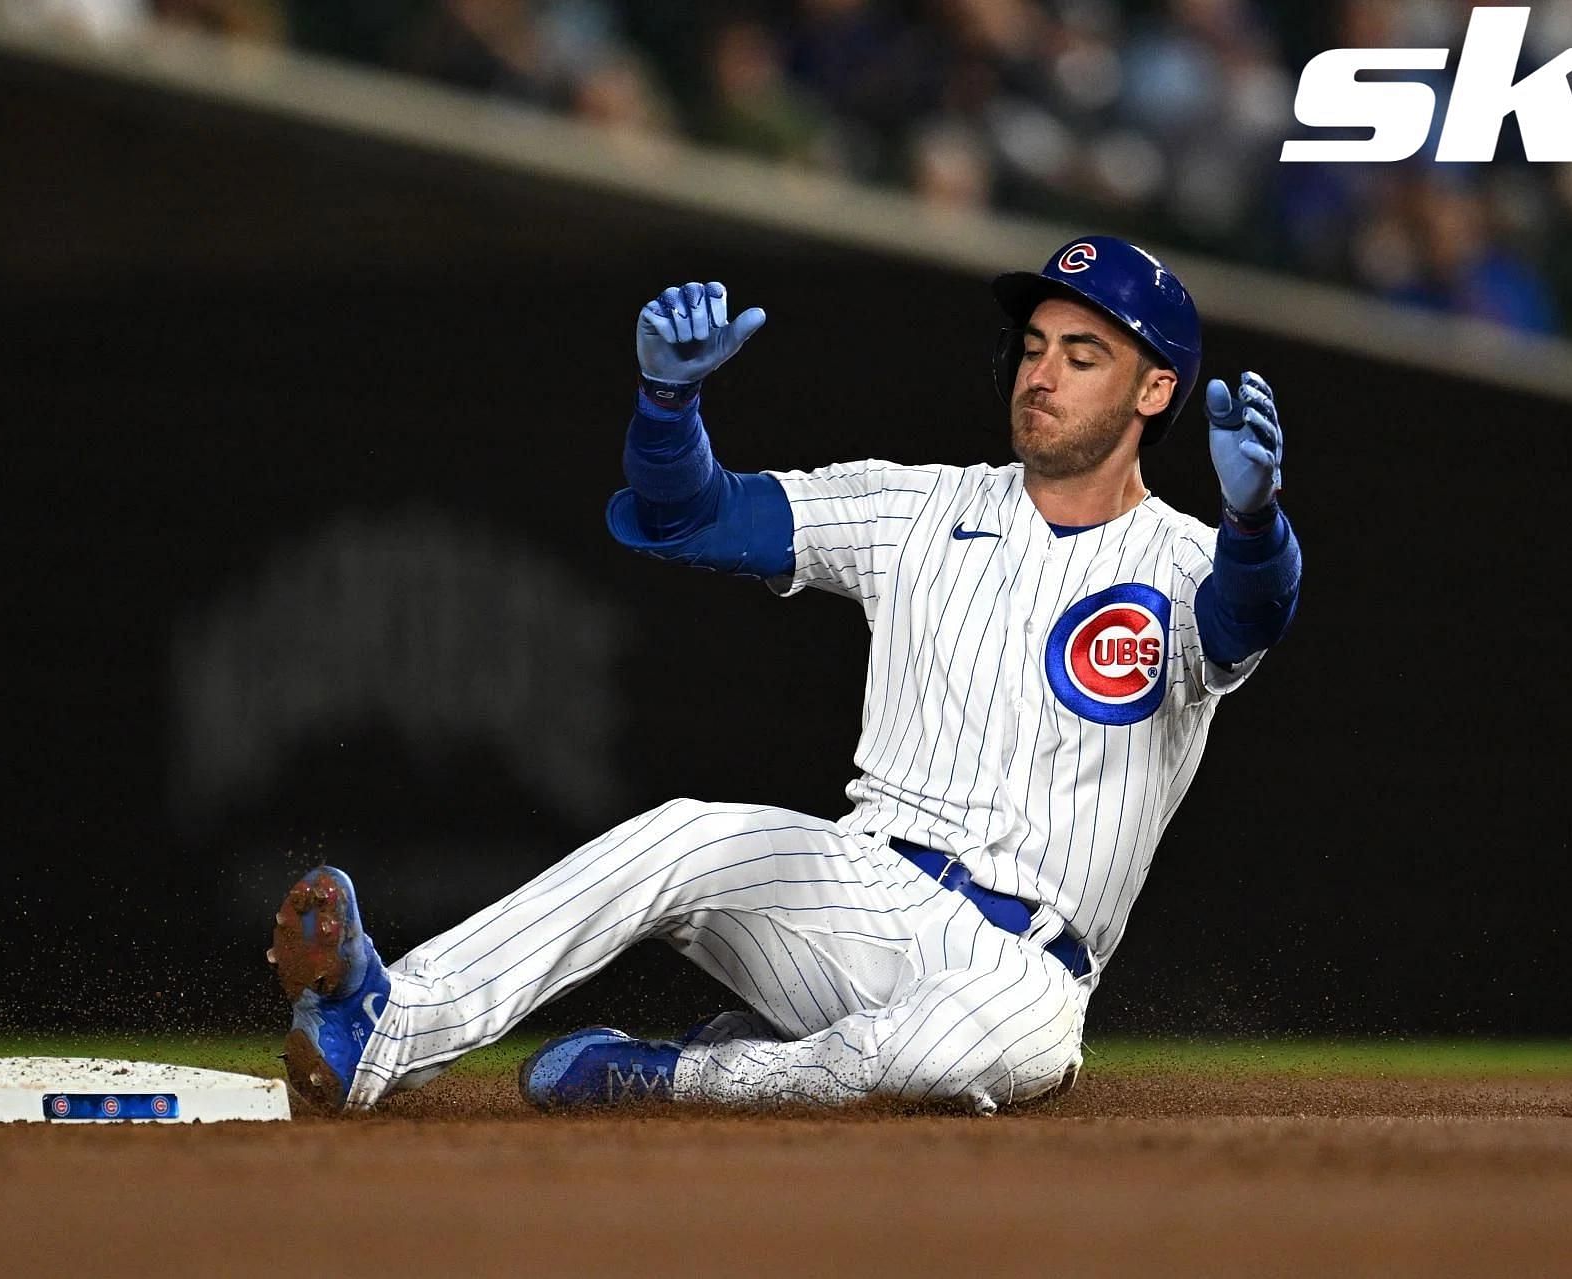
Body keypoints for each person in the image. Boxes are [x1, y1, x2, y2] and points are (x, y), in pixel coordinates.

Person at [269, 235, 1300, 1113]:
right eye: (1035, 348)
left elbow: (1245, 614)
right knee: (685, 833)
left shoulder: (1191, 561)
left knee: (935, 1052)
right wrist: (667, 405)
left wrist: (1256, 526)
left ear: (1154, 389)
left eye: (1084, 355)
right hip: (856, 893)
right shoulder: (918, 509)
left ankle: (687, 1078)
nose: (1041, 374)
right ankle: (390, 1025)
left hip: (1024, 968)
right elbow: (698, 516)